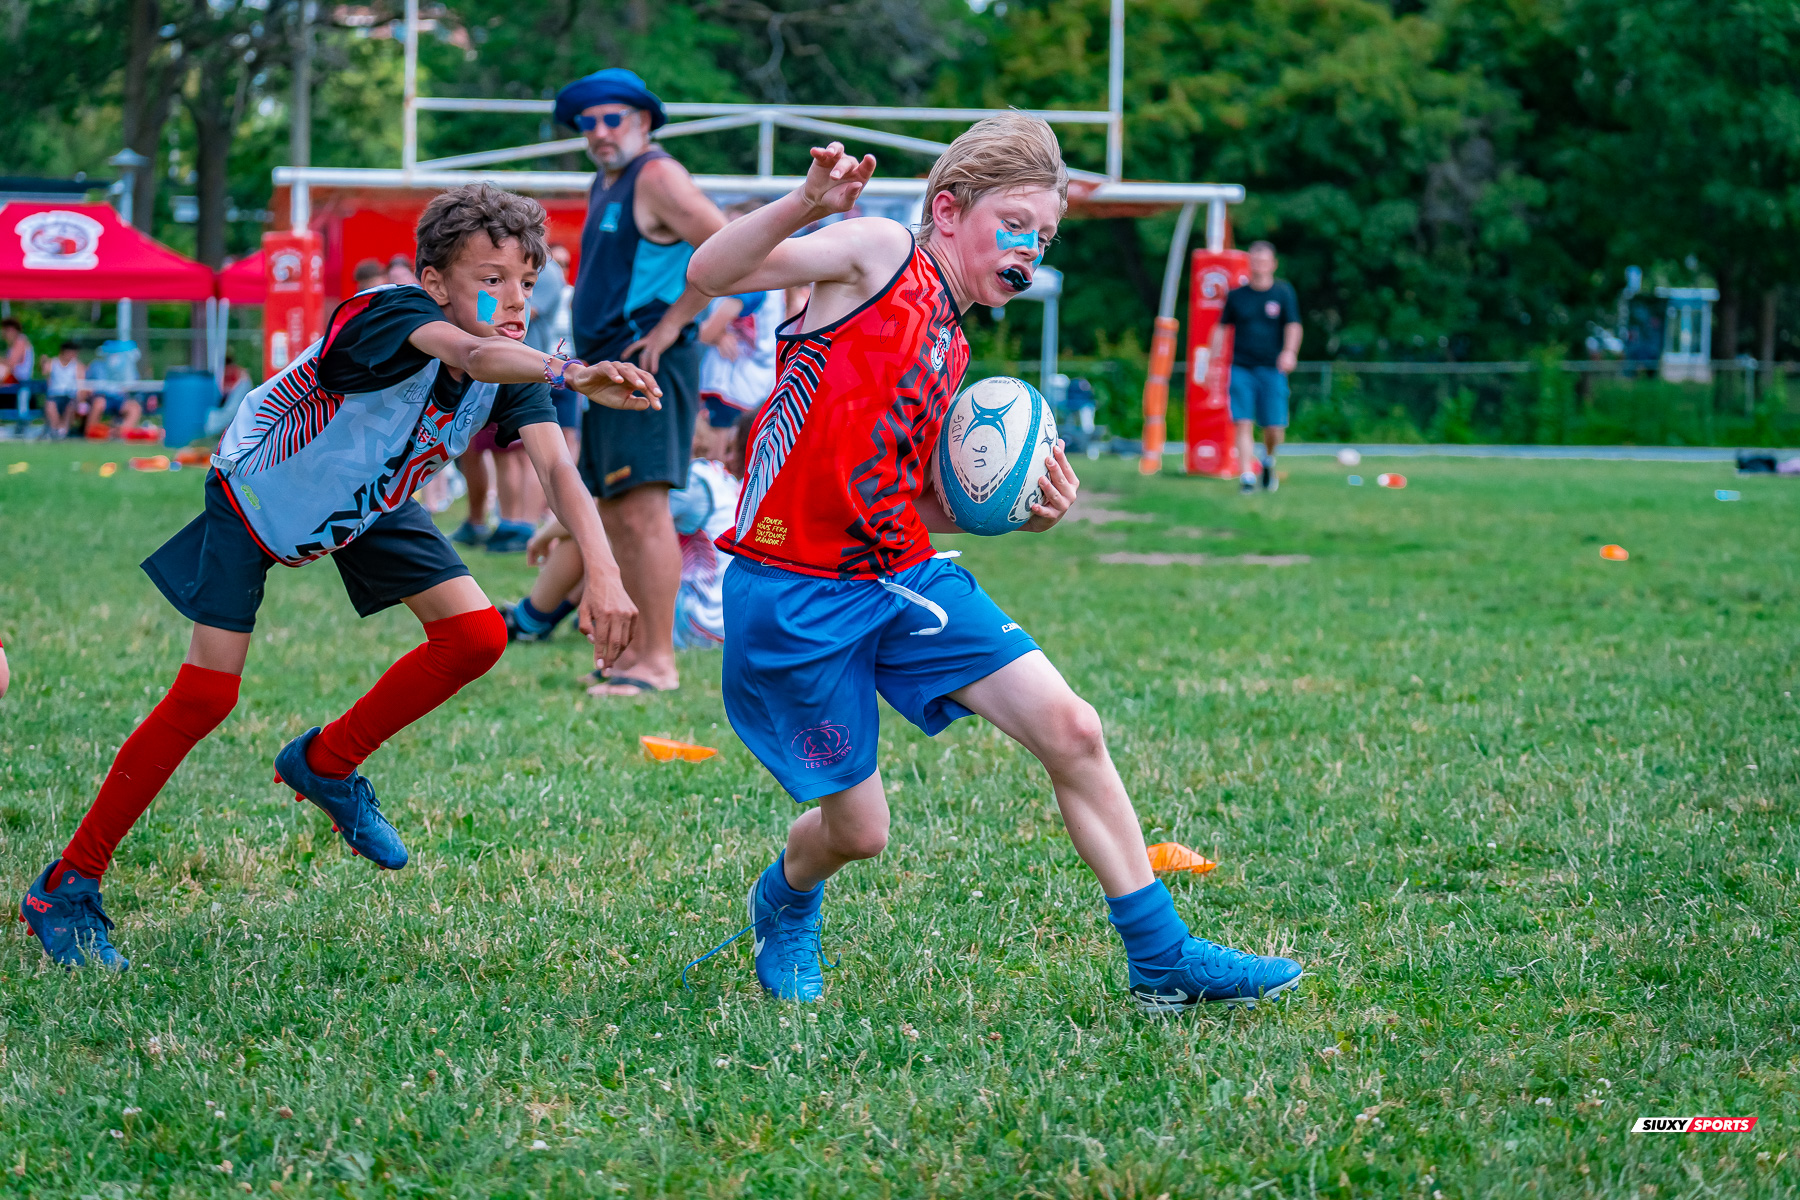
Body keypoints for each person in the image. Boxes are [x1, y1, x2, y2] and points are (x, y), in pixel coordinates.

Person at [682, 118, 1304, 1014]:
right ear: (948, 209)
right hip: (793, 590)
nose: (1029, 249)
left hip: (898, 575)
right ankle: (784, 899)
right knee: (860, 832)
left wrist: (1017, 510)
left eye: (1043, 238)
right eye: (1015, 224)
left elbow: (901, 498)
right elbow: (713, 273)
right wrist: (806, 204)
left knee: (1074, 729)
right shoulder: (876, 252)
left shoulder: (954, 343)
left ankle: (1161, 960)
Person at [19, 183, 659, 971]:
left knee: (475, 636)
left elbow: (557, 466)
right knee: (206, 695)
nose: (516, 298)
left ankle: (326, 762)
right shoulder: (390, 313)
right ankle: (65, 885)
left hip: (367, 504)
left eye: (527, 280)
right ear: (434, 283)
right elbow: (469, 352)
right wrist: (571, 371)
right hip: (262, 495)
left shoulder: (517, 360)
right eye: (492, 279)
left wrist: (602, 569)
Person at [552, 67, 727, 697]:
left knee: (646, 512)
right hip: (609, 373)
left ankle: (657, 661)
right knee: (622, 513)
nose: (599, 131)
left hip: (646, 366)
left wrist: (675, 323)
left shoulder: (656, 174)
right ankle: (630, 660)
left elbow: (730, 247)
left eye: (612, 118)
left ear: (644, 122)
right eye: (588, 122)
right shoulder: (612, 179)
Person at [506, 408, 747, 664]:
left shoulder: (693, 482)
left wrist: (542, 535)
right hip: (721, 618)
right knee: (604, 538)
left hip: (696, 619)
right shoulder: (716, 478)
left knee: (593, 536)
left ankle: (529, 620)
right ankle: (541, 619)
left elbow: (599, 515)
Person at [1212, 240, 1301, 494]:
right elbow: (1221, 328)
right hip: (1241, 367)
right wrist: (1212, 362)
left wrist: (1289, 352)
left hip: (1272, 369)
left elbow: (1293, 325)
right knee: (1242, 421)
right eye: (1255, 260)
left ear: (1273, 264)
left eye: (1264, 261)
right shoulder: (1237, 296)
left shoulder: (1283, 293)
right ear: (1249, 264)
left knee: (1274, 426)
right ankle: (1247, 477)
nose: (1259, 265)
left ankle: (1268, 461)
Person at [43, 342, 89, 439]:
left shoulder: (77, 366)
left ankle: (63, 430)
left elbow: (81, 384)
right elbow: (45, 373)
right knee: (50, 405)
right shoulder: (53, 363)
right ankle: (55, 429)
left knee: (70, 406)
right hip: (54, 395)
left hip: (70, 396)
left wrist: (82, 400)